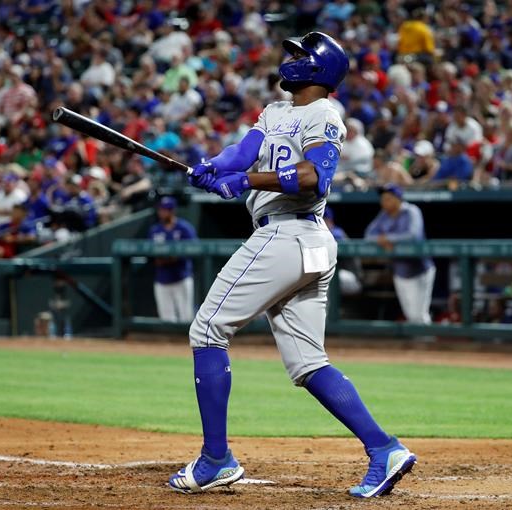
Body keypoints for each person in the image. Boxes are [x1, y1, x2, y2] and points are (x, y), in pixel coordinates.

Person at [171, 32, 416, 498]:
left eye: (301, 54)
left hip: (290, 230)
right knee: (307, 362)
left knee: (206, 331)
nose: (291, 59)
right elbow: (241, 154)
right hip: (298, 241)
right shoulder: (275, 111)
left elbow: (311, 177)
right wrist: (211, 167)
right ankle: (384, 448)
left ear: (319, 69)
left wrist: (241, 180)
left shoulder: (324, 114)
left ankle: (216, 459)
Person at [364, 184, 435, 324]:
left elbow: (413, 235)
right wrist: (383, 240)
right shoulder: (384, 215)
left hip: (420, 268)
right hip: (400, 269)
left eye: (388, 198)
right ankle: (419, 341)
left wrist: (389, 238)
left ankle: (426, 341)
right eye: (383, 199)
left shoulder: (411, 211)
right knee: (410, 313)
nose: (384, 202)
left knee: (419, 314)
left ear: (398, 199)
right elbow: (368, 235)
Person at [147, 196, 197, 323]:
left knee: (186, 317)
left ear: (172, 210)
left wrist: (173, 258)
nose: (162, 212)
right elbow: (149, 253)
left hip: (181, 277)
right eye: (161, 210)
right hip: (162, 279)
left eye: (166, 210)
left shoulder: (184, 228)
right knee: (166, 319)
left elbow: (195, 249)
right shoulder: (155, 230)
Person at [324, 207, 362, 296]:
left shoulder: (337, 233)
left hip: (352, 277)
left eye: (324, 220)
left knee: (327, 277)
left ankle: (330, 310)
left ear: (330, 221)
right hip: (340, 275)